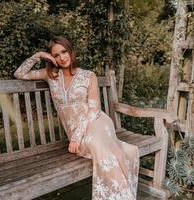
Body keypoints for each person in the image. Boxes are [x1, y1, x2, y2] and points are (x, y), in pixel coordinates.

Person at [14, 36, 139, 200]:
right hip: (75, 131)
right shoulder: (50, 75)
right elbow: (19, 73)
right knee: (109, 150)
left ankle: (122, 196)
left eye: (64, 52)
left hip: (96, 122)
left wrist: (76, 137)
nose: (62, 57)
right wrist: (39, 55)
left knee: (99, 146)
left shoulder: (88, 76)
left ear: (71, 51)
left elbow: (94, 109)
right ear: (52, 58)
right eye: (56, 55)